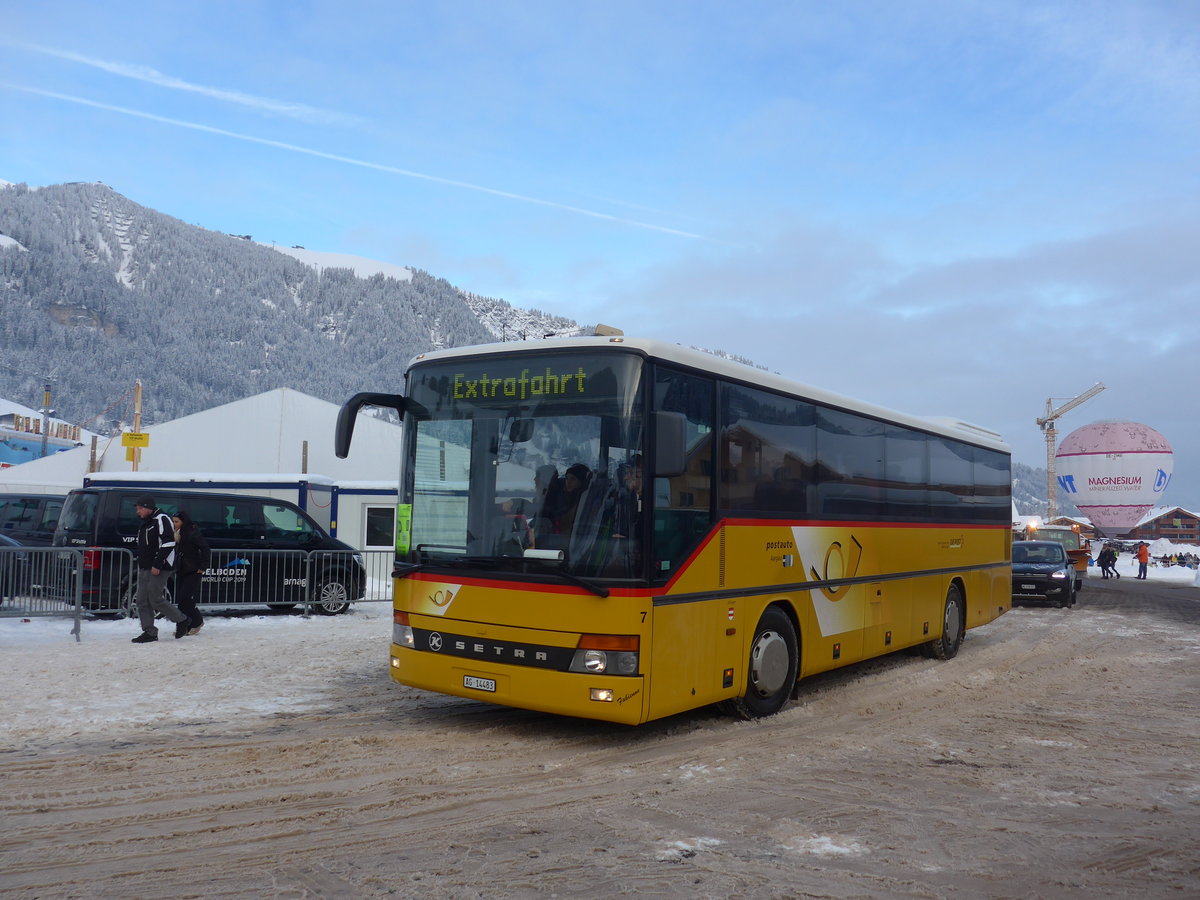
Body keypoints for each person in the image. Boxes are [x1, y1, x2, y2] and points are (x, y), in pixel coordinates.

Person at [131, 496, 193, 642]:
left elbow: (168, 543)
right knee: (141, 600)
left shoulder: (161, 519)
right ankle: (150, 632)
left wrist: (157, 564)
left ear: (147, 507)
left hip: (160, 567)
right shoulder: (146, 522)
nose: (137, 511)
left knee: (155, 599)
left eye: (139, 508)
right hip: (145, 566)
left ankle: (182, 619)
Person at [173, 510, 210, 635]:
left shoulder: (192, 532)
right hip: (181, 569)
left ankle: (196, 622)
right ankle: (184, 625)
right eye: (173, 522)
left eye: (176, 521)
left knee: (186, 598)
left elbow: (205, 548)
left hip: (193, 570)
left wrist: (203, 566)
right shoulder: (177, 534)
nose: (174, 524)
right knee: (181, 599)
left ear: (183, 522)